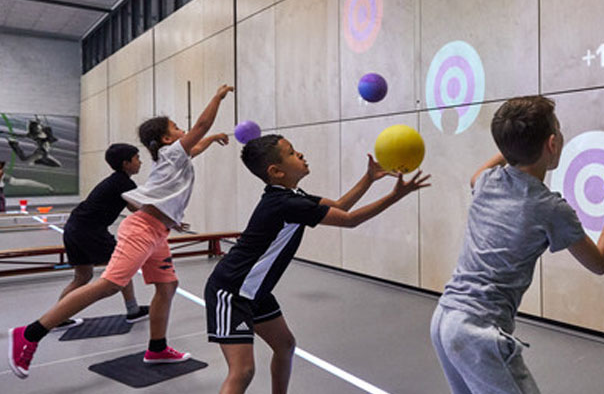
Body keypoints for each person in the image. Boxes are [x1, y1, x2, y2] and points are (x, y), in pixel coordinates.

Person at [8, 84, 235, 379]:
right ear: (167, 139)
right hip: (141, 230)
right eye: (177, 127)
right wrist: (217, 98)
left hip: (158, 232)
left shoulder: (175, 157)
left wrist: (213, 139)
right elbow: (201, 127)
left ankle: (157, 348)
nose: (184, 130)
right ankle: (29, 334)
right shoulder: (171, 154)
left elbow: (198, 144)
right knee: (110, 284)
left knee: (167, 286)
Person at [430, 96, 604, 393]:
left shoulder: (487, 181)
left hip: (444, 319)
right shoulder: (550, 208)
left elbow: (478, 174)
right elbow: (599, 262)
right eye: (558, 130)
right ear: (552, 144)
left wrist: (513, 141)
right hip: (477, 332)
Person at [205, 134, 429, 393]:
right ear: (276, 172)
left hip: (255, 291)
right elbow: (350, 220)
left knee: (285, 345)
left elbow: (341, 207)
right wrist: (395, 196)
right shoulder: (286, 203)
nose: (300, 154)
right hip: (232, 291)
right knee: (243, 371)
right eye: (291, 153)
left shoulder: (292, 196)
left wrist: (368, 178)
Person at [49, 143, 149, 333]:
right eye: (137, 158)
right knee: (123, 267)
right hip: (90, 231)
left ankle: (57, 318)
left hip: (74, 227)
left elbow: (133, 207)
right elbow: (138, 208)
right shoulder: (124, 183)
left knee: (83, 276)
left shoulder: (117, 181)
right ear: (126, 163)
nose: (140, 162)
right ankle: (133, 311)